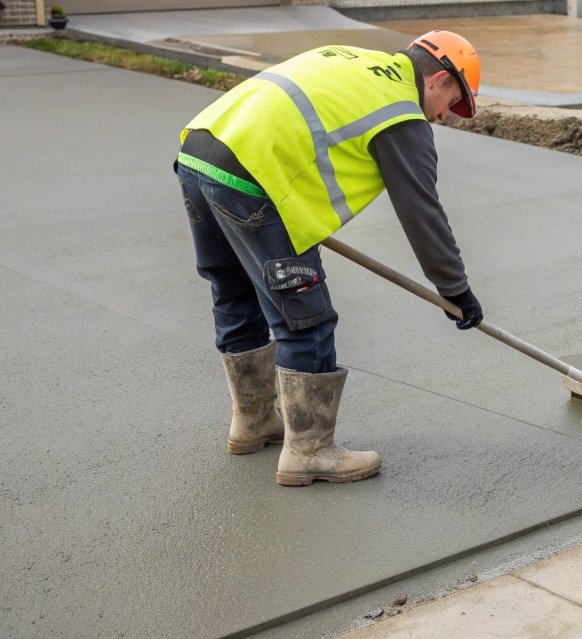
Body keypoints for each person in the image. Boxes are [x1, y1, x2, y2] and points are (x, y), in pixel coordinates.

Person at [176, 31, 484, 486]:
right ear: (439, 79)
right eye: (451, 103)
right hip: (252, 179)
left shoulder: (350, 58)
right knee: (306, 316)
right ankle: (310, 450)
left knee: (235, 288)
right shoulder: (402, 113)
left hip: (200, 153)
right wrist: (455, 289)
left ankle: (253, 420)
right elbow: (422, 213)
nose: (443, 117)